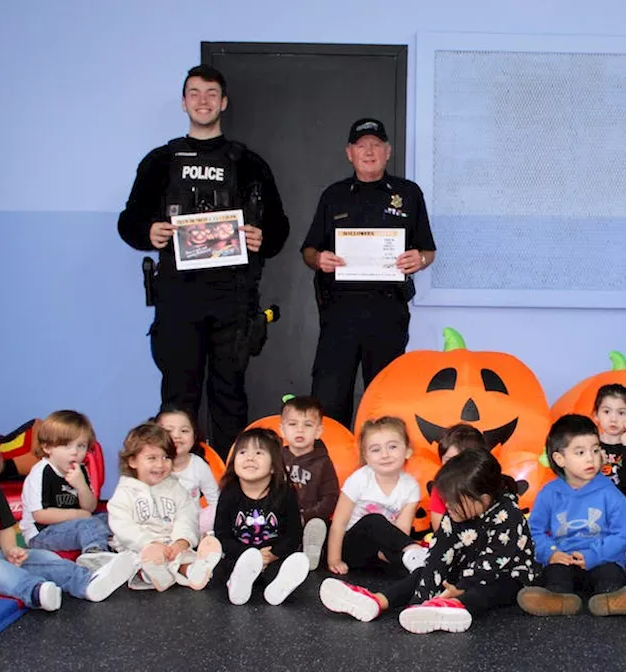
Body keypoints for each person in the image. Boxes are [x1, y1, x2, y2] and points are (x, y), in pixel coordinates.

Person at [117, 64, 290, 458]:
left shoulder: (249, 163)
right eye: (194, 93)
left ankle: (233, 477)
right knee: (179, 393)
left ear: (224, 102)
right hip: (178, 294)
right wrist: (149, 233)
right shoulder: (160, 161)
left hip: (234, 295)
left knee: (229, 392)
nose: (203, 100)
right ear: (183, 102)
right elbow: (128, 222)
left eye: (211, 93)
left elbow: (280, 229)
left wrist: (263, 237)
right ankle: (172, 477)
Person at [301, 118, 437, 425]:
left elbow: (429, 250)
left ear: (388, 151)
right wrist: (319, 259)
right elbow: (308, 250)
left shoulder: (408, 193)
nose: (369, 151)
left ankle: (385, 466)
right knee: (330, 397)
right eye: (361, 145)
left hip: (387, 309)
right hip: (339, 312)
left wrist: (420, 260)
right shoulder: (333, 195)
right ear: (349, 153)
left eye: (376, 144)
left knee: (387, 397)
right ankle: (332, 464)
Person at [320, 449, 537, 634]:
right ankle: (378, 601)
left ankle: (453, 607)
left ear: (484, 500)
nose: (447, 507)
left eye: (454, 502)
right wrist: (419, 602)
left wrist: (458, 589)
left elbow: (492, 562)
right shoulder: (453, 515)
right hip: (463, 571)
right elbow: (437, 557)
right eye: (446, 501)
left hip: (506, 574)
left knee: (489, 591)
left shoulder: (508, 514)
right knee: (420, 574)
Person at [0, 426, 136, 610]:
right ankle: (34, 592)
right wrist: (0, 563)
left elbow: (5, 529)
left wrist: (11, 550)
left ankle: (86, 582)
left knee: (40, 557)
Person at [519, 415, 626, 617]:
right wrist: (551, 553)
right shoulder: (550, 493)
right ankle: (558, 600)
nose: (591, 458)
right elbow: (534, 531)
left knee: (610, 575)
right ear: (559, 459)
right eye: (580, 452)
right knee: (555, 575)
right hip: (564, 558)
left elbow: (622, 534)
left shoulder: (610, 493)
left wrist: (593, 555)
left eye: (596, 450)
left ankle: (612, 599)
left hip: (601, 559)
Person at [108, 424, 221, 592]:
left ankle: (193, 571)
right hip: (140, 546)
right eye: (152, 458)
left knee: (185, 557)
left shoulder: (175, 488)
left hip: (171, 544)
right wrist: (149, 543)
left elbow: (187, 515)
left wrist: (181, 540)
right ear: (132, 461)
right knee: (138, 562)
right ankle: (153, 574)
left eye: (166, 457)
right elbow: (122, 525)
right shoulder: (126, 491)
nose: (160, 465)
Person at [213, 428, 310, 606]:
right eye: (242, 452)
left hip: (271, 557)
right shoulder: (229, 493)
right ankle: (237, 584)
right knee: (222, 568)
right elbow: (222, 533)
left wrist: (273, 554)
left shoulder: (285, 493)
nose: (249, 457)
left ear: (274, 466)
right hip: (240, 556)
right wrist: (248, 554)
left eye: (258, 453)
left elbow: (293, 533)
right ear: (234, 462)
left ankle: (277, 589)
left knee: (280, 569)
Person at [325, 417, 427, 576]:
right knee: (374, 520)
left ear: (407, 450)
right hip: (352, 547)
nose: (385, 455)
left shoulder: (411, 486)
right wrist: (334, 560)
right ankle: (416, 553)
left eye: (392, 447)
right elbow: (339, 523)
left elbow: (401, 532)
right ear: (365, 456)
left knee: (408, 570)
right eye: (375, 450)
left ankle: (423, 568)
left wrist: (394, 555)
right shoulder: (359, 480)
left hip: (380, 554)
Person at [19, 411, 111, 556]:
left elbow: (90, 508)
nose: (75, 452)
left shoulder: (80, 470)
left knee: (111, 517)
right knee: (88, 524)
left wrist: (81, 485)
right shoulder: (41, 472)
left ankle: (121, 551)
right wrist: (78, 514)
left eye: (81, 446)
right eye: (66, 445)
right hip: (42, 533)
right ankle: (95, 555)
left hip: (74, 524)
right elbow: (40, 516)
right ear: (47, 447)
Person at [278, 395, 339, 570]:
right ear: (282, 429)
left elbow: (330, 497)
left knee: (318, 526)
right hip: (281, 518)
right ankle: (287, 553)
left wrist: (306, 517)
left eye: (307, 425)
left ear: (318, 431)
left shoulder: (323, 462)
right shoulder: (275, 458)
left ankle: (309, 552)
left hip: (309, 519)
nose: (300, 430)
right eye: (293, 424)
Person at [156, 405, 220, 534]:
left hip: (191, 525)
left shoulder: (198, 465)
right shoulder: (153, 465)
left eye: (184, 431)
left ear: (194, 436)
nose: (176, 436)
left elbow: (215, 499)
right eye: (168, 431)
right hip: (158, 524)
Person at [594, 384, 626, 522]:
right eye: (606, 412)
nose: (613, 419)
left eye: (621, 413)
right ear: (596, 415)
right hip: (594, 507)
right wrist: (596, 464)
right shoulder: (591, 447)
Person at [428, 423, 489, 533]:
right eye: (449, 461)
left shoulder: (487, 486)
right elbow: (439, 529)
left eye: (462, 461)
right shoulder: (440, 488)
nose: (455, 468)